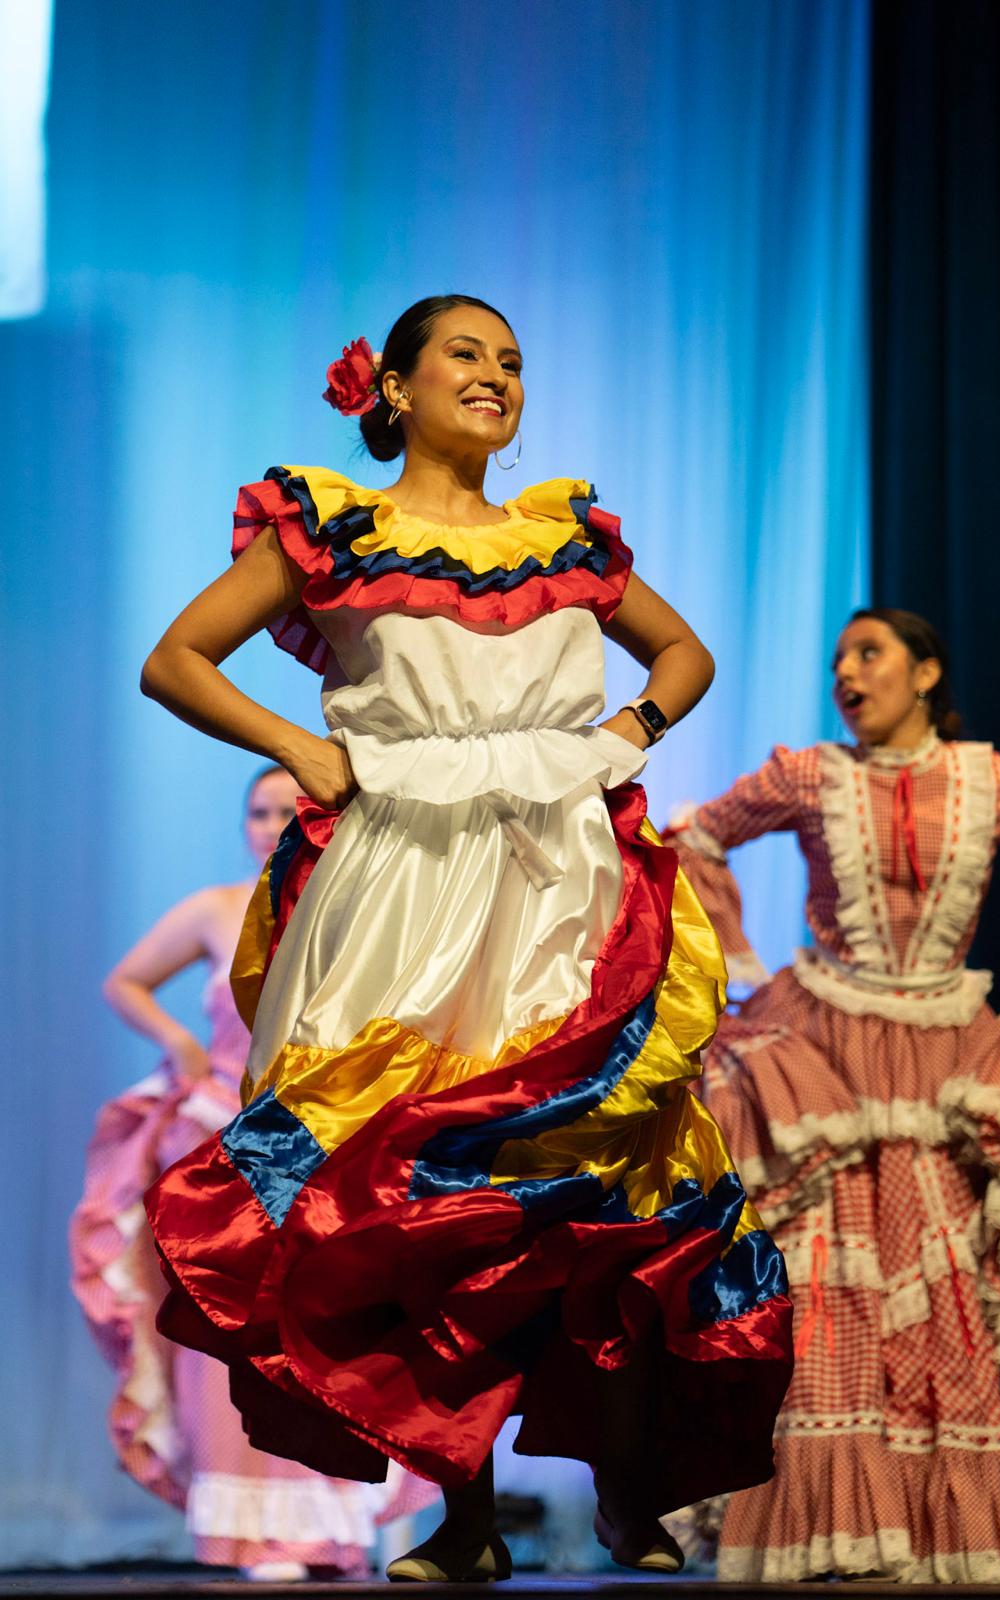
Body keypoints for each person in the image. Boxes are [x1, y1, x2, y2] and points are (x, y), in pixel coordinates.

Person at [136, 295, 793, 1582]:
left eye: (512, 361)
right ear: (395, 385)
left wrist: (627, 733)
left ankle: (625, 1484)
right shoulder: (335, 526)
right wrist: (299, 745)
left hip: (562, 877)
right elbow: (176, 660)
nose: (496, 376)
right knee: (418, 1187)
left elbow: (681, 653)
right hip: (401, 880)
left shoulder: (562, 535)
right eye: (466, 355)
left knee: (594, 1165)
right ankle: (465, 1511)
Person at [666, 607, 1000, 1583]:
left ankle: (936, 1529)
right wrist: (738, 975)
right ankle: (832, 1526)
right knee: (828, 1285)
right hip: (830, 1052)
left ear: (925, 673)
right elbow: (695, 836)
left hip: (946, 1050)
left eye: (869, 653)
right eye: (838, 659)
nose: (847, 673)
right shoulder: (813, 774)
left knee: (954, 1282)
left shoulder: (991, 777)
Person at [71, 765, 437, 1579]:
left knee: (324, 1331)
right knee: (229, 1331)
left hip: (329, 1146)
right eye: (260, 812)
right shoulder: (216, 909)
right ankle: (253, 1533)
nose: (273, 825)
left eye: (290, 811)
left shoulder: (365, 913)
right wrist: (179, 1043)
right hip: (228, 1140)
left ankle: (328, 1526)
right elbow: (125, 981)